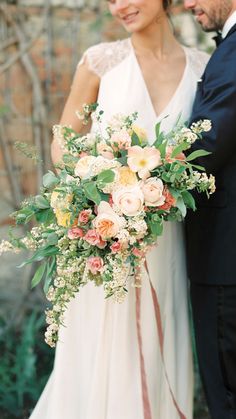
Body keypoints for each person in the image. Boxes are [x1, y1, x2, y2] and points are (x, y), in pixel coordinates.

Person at [30, 1, 209, 418]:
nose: (119, 7)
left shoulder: (204, 68)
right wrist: (97, 189)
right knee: (103, 357)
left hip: (171, 245)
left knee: (158, 351)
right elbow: (63, 142)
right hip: (110, 240)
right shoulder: (99, 62)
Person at [184, 1, 236, 418]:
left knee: (227, 394)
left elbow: (204, 146)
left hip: (226, 262)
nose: (187, 3)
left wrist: (127, 174)